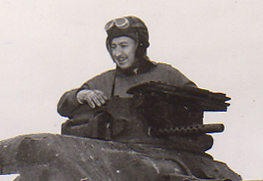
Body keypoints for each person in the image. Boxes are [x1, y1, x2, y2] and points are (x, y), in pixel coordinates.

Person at [57, 15, 195, 142]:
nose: (118, 54)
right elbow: (63, 107)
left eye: (124, 46)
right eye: (113, 47)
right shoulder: (105, 81)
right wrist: (82, 95)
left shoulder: (166, 74)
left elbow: (194, 100)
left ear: (139, 46)